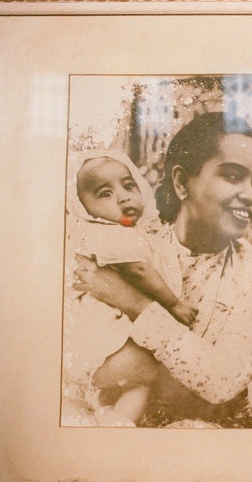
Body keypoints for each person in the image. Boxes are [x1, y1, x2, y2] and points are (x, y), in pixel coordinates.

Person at [70, 112, 252, 428]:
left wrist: (133, 302)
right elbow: (78, 359)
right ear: (181, 182)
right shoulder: (131, 249)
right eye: (231, 176)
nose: (251, 195)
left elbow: (222, 382)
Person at [62, 149, 195, 426]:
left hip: (93, 340)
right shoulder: (109, 234)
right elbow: (140, 271)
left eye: (128, 185)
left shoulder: (114, 233)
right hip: (103, 337)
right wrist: (174, 304)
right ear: (83, 206)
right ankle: (118, 420)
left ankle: (115, 419)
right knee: (147, 372)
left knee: (136, 383)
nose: (123, 197)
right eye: (104, 194)